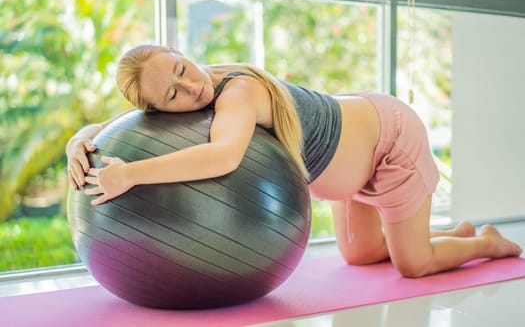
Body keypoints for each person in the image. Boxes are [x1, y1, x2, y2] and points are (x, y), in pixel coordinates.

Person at [66, 44, 522, 278]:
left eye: (183, 70)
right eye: (172, 95)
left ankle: (485, 242)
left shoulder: (237, 90)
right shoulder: (186, 98)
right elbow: (114, 124)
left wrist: (131, 174)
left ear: (181, 55)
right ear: (159, 110)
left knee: (413, 266)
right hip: (352, 163)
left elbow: (223, 158)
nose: (191, 89)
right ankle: (448, 236)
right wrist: (79, 142)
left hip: (388, 140)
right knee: (360, 256)